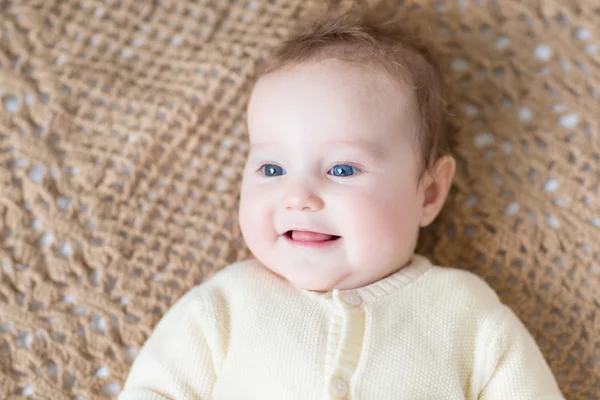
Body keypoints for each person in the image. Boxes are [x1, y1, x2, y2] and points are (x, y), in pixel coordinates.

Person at [119, 1, 564, 398]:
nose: (299, 197)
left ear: (428, 193)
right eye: (272, 170)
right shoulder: (227, 305)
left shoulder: (466, 314)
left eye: (342, 170)